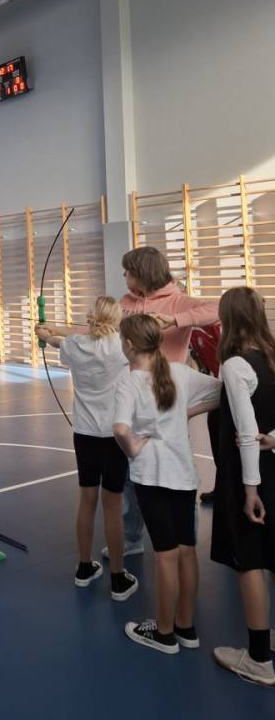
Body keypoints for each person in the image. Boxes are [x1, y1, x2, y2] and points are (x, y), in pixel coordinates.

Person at [113, 314, 221, 654]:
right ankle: (185, 627)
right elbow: (223, 391)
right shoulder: (180, 372)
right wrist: (189, 410)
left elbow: (120, 429)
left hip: (151, 477)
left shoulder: (129, 382)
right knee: (186, 551)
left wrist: (132, 449)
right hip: (183, 475)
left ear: (129, 345)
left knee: (165, 555)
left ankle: (163, 633)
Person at [116, 247, 220, 555]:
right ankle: (132, 538)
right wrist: (59, 334)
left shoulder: (178, 300)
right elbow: (101, 328)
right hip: (136, 400)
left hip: (167, 401)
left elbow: (219, 308)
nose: (125, 276)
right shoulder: (126, 302)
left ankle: (185, 541)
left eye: (128, 271)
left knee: (179, 470)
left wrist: (176, 319)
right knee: (130, 477)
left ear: (143, 273)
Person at [37, 297, 138, 600]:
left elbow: (57, 340)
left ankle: (84, 568)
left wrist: (46, 333)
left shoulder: (75, 345)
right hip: (114, 436)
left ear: (91, 317)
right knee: (112, 505)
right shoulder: (121, 346)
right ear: (116, 320)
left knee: (87, 501)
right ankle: (118, 578)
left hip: (84, 435)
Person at [210, 287, 275, 686]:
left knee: (250, 560)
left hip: (250, 473)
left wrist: (251, 490)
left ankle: (258, 659)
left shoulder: (235, 365)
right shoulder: (272, 356)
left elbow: (247, 432)